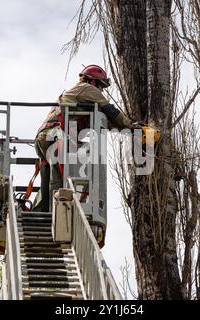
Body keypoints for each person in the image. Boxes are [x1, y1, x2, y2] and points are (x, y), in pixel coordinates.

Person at [32, 64, 134, 212]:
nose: (101, 91)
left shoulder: (78, 98)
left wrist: (125, 129)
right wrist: (133, 127)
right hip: (55, 137)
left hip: (43, 139)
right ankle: (55, 214)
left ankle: (41, 211)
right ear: (93, 81)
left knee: (47, 179)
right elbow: (110, 111)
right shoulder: (87, 88)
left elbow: (108, 122)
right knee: (60, 179)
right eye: (101, 86)